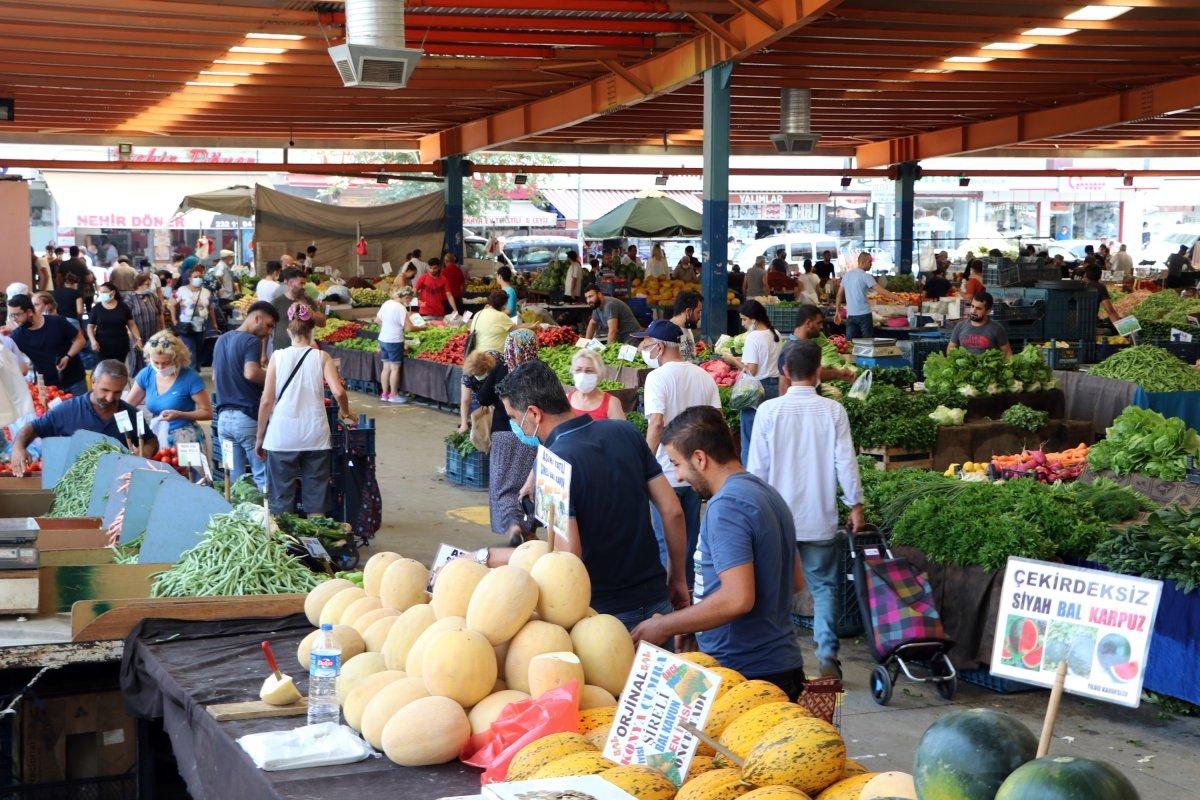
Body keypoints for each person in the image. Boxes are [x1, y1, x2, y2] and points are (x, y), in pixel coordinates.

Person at [487, 360, 689, 630]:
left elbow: (568, 555)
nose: (515, 425)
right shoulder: (626, 432)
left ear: (534, 413)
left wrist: (489, 557)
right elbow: (673, 511)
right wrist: (678, 578)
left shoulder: (553, 467)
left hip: (600, 619)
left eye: (514, 417)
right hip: (657, 603)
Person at [630, 406, 806, 696]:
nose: (678, 476)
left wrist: (666, 626)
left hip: (745, 674)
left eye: (676, 464)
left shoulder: (727, 507)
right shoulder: (767, 494)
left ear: (700, 458)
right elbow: (795, 581)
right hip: (777, 666)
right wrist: (695, 623)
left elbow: (738, 598)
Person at [748, 339, 865, 679]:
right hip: (818, 518)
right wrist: (855, 505)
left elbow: (756, 471)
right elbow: (846, 464)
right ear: (818, 373)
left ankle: (777, 655)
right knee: (824, 586)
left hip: (776, 520)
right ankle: (827, 654)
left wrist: (754, 517)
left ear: (785, 371)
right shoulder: (833, 411)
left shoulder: (768, 411)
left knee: (775, 588)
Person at [636, 320, 721, 588]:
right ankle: (690, 595)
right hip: (697, 474)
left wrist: (644, 464)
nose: (645, 349)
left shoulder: (657, 378)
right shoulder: (703, 376)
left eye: (647, 344)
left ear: (659, 348)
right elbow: (717, 421)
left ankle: (671, 600)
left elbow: (656, 424)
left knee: (667, 544)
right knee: (690, 541)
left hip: (665, 474)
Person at [256, 303, 353, 516]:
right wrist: (345, 412)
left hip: (282, 436)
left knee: (281, 501)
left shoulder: (277, 357)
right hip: (315, 435)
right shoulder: (322, 357)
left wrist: (260, 437)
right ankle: (316, 535)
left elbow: (266, 401)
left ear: (288, 331)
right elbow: (338, 392)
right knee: (316, 498)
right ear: (311, 331)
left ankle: (284, 536)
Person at [466, 329, 541, 544]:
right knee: (529, 484)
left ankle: (513, 526)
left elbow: (483, 397)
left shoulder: (503, 367)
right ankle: (530, 530)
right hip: (532, 437)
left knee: (504, 487)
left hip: (503, 435)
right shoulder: (540, 370)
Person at [8, 360, 139, 476]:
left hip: (117, 481)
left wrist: (143, 452)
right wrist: (18, 447)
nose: (110, 398)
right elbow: (33, 427)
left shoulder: (130, 413)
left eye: (117, 392)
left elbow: (147, 440)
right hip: (77, 482)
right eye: (105, 390)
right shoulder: (68, 410)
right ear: (93, 382)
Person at [213, 301, 278, 490]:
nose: (269, 332)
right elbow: (251, 373)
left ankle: (236, 509)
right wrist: (274, 377)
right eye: (269, 325)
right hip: (246, 417)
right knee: (262, 476)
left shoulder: (221, 340)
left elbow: (216, 378)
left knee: (235, 482)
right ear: (257, 318)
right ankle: (266, 510)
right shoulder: (251, 341)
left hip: (224, 420)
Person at [125, 331, 211, 453]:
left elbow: (207, 413)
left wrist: (181, 415)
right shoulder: (146, 374)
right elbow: (126, 407)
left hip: (185, 438)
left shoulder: (191, 378)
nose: (160, 368)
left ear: (177, 359)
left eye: (166, 363)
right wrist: (132, 438)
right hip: (156, 435)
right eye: (156, 362)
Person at [721, 299, 782, 465]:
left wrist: (732, 360)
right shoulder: (775, 333)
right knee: (769, 438)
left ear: (754, 319)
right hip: (775, 387)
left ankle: (750, 473)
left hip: (757, 391)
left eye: (744, 319)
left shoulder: (753, 337)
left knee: (750, 438)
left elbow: (752, 370)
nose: (743, 324)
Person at [458, 291, 516, 431]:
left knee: (488, 406)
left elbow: (504, 397)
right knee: (479, 405)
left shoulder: (498, 364)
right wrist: (464, 423)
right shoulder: (469, 372)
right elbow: (465, 399)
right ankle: (479, 426)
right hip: (484, 391)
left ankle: (484, 427)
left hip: (495, 396)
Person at [5, 294, 86, 395]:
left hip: (75, 381)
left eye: (17, 315)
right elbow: (6, 356)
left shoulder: (56, 322)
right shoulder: (17, 336)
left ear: (29, 312)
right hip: (48, 387)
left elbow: (80, 340)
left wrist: (67, 356)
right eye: (11, 315)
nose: (14, 319)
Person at [782, 305, 855, 386]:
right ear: (808, 323)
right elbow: (784, 387)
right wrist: (838, 374)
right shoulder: (791, 351)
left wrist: (839, 374)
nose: (821, 327)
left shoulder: (806, 346)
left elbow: (812, 373)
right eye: (819, 323)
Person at [836, 252, 901, 341]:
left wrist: (837, 311)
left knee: (849, 342)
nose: (871, 264)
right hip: (864, 315)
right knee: (868, 342)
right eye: (869, 262)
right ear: (862, 262)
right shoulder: (866, 276)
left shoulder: (846, 275)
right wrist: (900, 299)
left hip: (851, 315)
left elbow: (839, 295)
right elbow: (881, 291)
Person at [376, 286, 424, 405]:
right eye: (409, 300)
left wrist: (388, 326)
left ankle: (384, 394)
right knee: (395, 369)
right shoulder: (401, 308)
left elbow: (377, 320)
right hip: (394, 341)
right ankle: (393, 395)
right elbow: (408, 328)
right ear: (406, 297)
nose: (408, 302)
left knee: (386, 367)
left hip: (383, 339)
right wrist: (422, 327)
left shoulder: (387, 303)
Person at [270, 268, 325, 352]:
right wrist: (263, 353)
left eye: (304, 283)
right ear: (290, 283)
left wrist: (310, 312)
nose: (304, 287)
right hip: (281, 350)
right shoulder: (276, 303)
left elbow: (322, 323)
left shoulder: (308, 300)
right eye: (301, 283)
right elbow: (266, 329)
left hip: (304, 351)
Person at [175, 264, 218, 366]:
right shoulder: (182, 290)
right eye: (195, 277)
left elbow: (210, 308)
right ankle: (192, 370)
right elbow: (172, 304)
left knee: (199, 350)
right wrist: (174, 319)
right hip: (186, 326)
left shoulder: (206, 292)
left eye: (200, 277)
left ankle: (197, 369)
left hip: (202, 325)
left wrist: (214, 322)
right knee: (190, 350)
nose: (198, 279)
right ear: (190, 279)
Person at [124, 272, 166, 377]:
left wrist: (163, 329)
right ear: (139, 284)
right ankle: (140, 381)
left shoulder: (153, 297)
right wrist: (129, 332)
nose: (149, 287)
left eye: (149, 284)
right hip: (138, 335)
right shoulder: (130, 298)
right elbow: (125, 318)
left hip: (153, 334)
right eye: (147, 284)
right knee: (138, 360)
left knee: (153, 358)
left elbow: (160, 313)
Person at [87, 282, 140, 364]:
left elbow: (132, 324)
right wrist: (93, 341)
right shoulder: (96, 308)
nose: (102, 294)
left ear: (113, 292)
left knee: (119, 368)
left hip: (121, 345)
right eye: (101, 292)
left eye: (104, 292)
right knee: (104, 368)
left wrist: (138, 338)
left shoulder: (123, 307)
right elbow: (90, 327)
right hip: (101, 346)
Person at [948, 292, 1013, 356]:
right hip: (964, 363)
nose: (973, 311)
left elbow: (1007, 353)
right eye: (972, 306)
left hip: (988, 363)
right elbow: (950, 350)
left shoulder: (997, 328)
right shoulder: (960, 326)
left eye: (978, 308)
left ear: (988, 311)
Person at [567, 348, 624, 420]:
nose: (582, 375)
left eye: (589, 371)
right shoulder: (565, 400)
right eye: (578, 370)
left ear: (599, 374)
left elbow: (620, 427)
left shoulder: (612, 403)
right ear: (572, 372)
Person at [670, 290, 702, 361]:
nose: (699, 317)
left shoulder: (687, 328)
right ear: (688, 311)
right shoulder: (667, 334)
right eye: (698, 312)